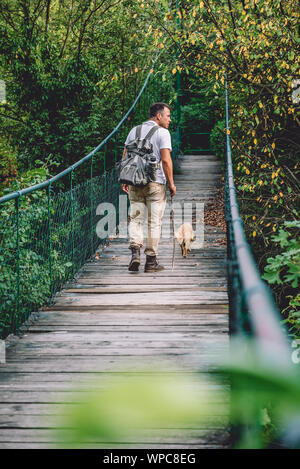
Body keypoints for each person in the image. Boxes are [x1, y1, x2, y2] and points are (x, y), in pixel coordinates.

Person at [121, 102, 176, 272]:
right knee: (154, 222)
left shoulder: (133, 131)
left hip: (135, 182)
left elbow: (126, 155)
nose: (170, 120)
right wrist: (171, 183)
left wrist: (125, 178)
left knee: (136, 219)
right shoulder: (163, 133)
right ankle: (151, 262)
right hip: (155, 183)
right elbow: (166, 160)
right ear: (158, 116)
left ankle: (135, 254)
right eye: (167, 116)